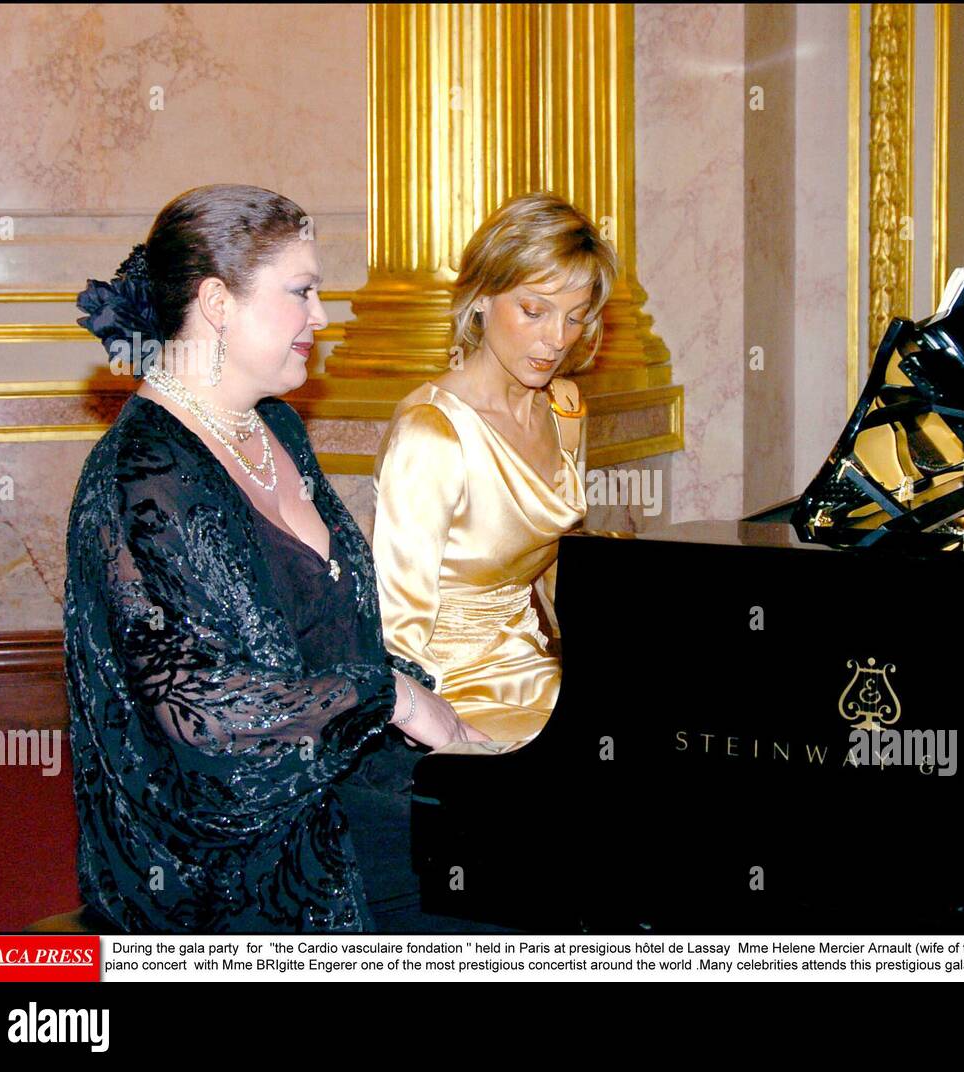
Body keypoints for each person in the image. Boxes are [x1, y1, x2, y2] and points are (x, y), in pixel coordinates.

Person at [66, 183, 484, 934]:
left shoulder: (277, 428)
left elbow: (335, 632)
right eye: (303, 291)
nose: (322, 316)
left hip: (344, 785)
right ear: (219, 303)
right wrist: (391, 696)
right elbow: (207, 737)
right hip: (236, 861)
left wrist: (427, 717)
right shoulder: (140, 477)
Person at [372, 191, 618, 743]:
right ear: (481, 297)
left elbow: (558, 569)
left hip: (534, 671)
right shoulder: (432, 434)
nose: (556, 340)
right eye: (534, 311)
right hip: (448, 694)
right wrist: (441, 736)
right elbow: (396, 634)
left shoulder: (564, 411)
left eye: (575, 318)